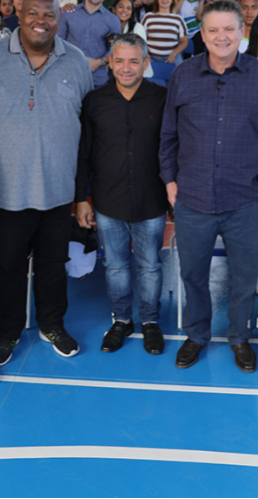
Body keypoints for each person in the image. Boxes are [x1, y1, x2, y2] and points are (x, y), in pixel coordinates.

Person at [0, 0, 93, 366]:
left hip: (58, 189)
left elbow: (86, 128)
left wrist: (82, 191)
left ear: (59, 19)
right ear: (17, 15)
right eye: (32, 13)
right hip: (5, 191)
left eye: (49, 14)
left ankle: (52, 324)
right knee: (8, 267)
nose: (41, 20)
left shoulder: (77, 61)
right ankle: (8, 331)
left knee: (54, 265)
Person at [159, 0, 258, 373]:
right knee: (193, 274)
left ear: (242, 32)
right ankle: (197, 336)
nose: (221, 37)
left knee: (245, 276)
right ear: (202, 33)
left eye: (229, 29)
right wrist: (170, 181)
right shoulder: (183, 75)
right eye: (212, 30)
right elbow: (168, 134)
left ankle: (239, 338)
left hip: (246, 199)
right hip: (192, 197)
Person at [75, 33, 168, 355]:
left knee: (150, 266)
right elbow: (83, 154)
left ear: (146, 63)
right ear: (110, 63)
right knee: (114, 266)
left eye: (134, 61)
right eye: (119, 60)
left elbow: (173, 149)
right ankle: (122, 320)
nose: (126, 68)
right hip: (107, 200)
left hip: (151, 199)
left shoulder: (163, 98)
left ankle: (151, 322)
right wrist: (81, 198)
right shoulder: (94, 101)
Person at [58, 0, 122, 88]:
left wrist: (99, 63)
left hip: (97, 79)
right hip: (69, 77)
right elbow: (58, 42)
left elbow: (115, 49)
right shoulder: (69, 13)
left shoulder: (113, 20)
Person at [141, 0, 188, 64]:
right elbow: (140, 39)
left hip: (172, 57)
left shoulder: (178, 19)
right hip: (150, 58)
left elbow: (184, 42)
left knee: (182, 75)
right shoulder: (148, 17)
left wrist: (173, 54)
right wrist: (146, 54)